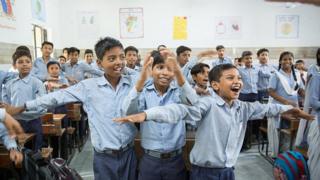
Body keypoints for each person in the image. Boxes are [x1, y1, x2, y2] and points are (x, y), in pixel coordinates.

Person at [114, 64, 314, 180]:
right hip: (204, 173)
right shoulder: (207, 104)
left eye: (238, 78)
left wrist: (290, 109)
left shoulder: (243, 107)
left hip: (228, 171)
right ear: (216, 85)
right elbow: (179, 111)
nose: (237, 81)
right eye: (230, 78)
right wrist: (147, 115)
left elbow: (267, 108)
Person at [4, 37, 140, 180]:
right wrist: (23, 107)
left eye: (121, 57)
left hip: (128, 154)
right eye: (112, 58)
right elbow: (56, 97)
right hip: (104, 157)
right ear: (99, 63)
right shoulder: (88, 87)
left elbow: (148, 78)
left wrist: (125, 67)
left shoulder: (132, 83)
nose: (118, 61)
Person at [122, 50, 197, 180]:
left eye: (170, 69)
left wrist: (179, 73)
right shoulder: (144, 92)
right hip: (150, 160)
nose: (164, 73)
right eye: (160, 67)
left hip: (176, 159)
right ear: (151, 70)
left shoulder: (179, 92)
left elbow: (196, 105)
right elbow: (128, 111)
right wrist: (141, 81)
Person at [2, 50, 47, 151]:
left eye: (27, 61)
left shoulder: (37, 83)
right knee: (19, 152)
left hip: (34, 122)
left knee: (36, 152)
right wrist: (12, 112)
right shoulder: (9, 84)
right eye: (20, 62)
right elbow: (6, 107)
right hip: (16, 122)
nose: (24, 64)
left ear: (32, 64)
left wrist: (19, 110)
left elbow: (42, 107)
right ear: (14, 65)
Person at [268, 51, 305, 157]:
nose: (287, 61)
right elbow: (271, 91)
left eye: (290, 59)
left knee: (293, 131)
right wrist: (286, 101)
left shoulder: (297, 74)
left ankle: (291, 155)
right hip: (280, 107)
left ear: (293, 61)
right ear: (280, 61)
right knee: (280, 132)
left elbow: (300, 90)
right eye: (284, 59)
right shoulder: (276, 75)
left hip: (294, 108)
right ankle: (280, 156)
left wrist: (307, 98)